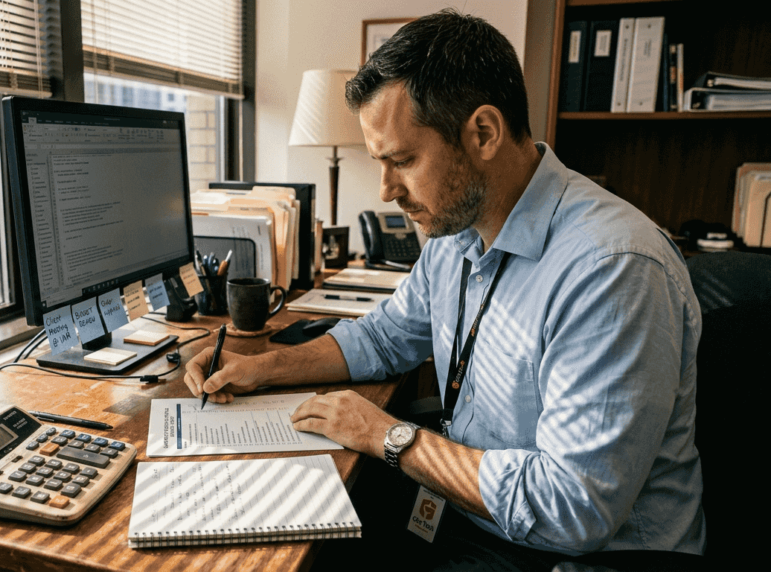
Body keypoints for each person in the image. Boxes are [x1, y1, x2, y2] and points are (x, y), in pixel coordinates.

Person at [183, 9, 704, 567]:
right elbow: (385, 339)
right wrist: (262, 366)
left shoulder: (612, 269)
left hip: (586, 553)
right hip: (477, 513)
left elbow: (571, 508)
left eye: (402, 161)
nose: (385, 191)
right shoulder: (455, 233)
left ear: (483, 132)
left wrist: (389, 435)